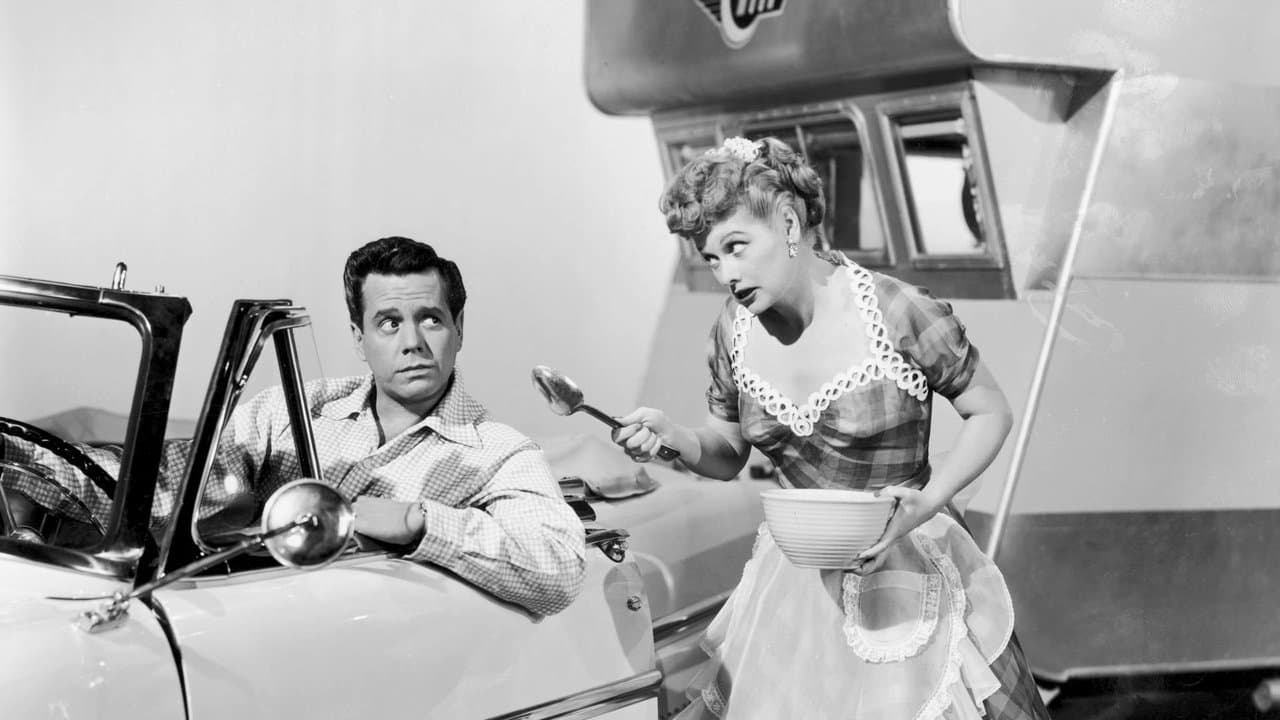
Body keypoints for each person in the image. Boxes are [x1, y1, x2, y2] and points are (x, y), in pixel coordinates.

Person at [611, 137, 1050, 718]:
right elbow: (727, 454)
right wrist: (674, 436)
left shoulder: (897, 309)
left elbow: (991, 411)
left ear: (789, 223)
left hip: (905, 568)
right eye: (711, 258)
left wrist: (928, 502)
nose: (726, 274)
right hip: (798, 585)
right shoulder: (732, 329)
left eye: (736, 247)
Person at [3, 236, 586, 616]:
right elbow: (177, 483)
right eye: (388, 322)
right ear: (358, 338)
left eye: (430, 319)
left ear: (459, 328)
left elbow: (558, 567)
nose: (412, 342)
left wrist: (420, 521)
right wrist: (22, 461)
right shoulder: (296, 409)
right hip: (260, 627)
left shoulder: (498, 452)